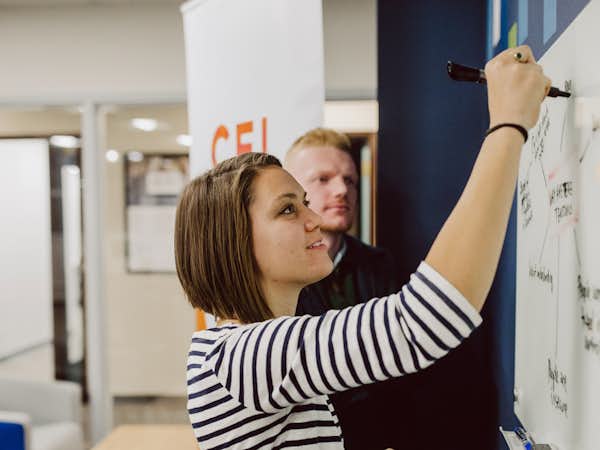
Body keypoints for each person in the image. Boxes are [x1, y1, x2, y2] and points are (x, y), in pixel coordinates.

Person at [175, 46, 550, 450]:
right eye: (287, 209)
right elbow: (425, 321)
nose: (314, 219)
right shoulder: (246, 356)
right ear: (234, 243)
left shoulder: (236, 349)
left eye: (304, 202)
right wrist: (509, 124)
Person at [284, 128, 401, 449]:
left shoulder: (380, 265)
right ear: (291, 193)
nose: (341, 190)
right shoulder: (275, 275)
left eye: (349, 180)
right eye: (323, 179)